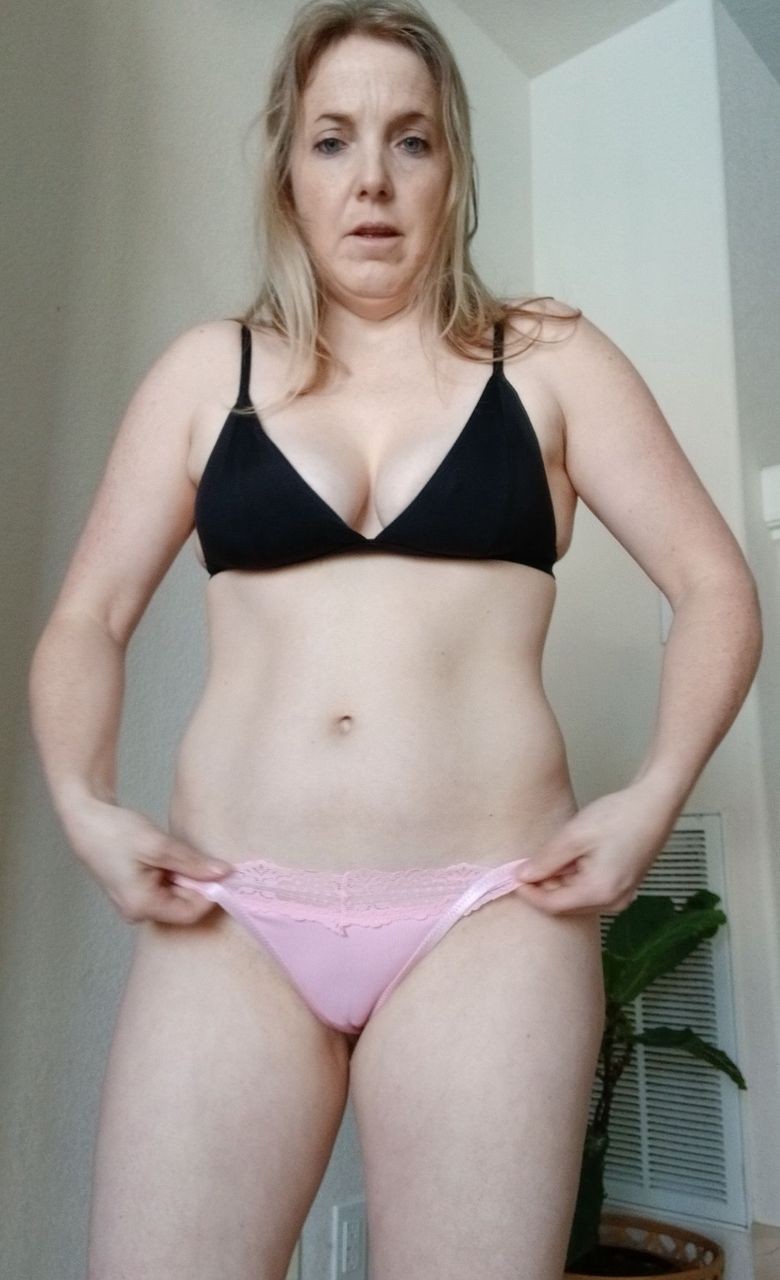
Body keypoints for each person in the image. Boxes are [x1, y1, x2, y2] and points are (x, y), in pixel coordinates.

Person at [27, 2, 762, 1278]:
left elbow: (713, 584)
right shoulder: (208, 371)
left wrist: (651, 797)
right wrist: (84, 803)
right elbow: (87, 616)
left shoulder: (549, 357)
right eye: (333, 139)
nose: (371, 177)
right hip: (236, 915)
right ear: (288, 170)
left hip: (490, 915)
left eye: (409, 139)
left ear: (451, 168)